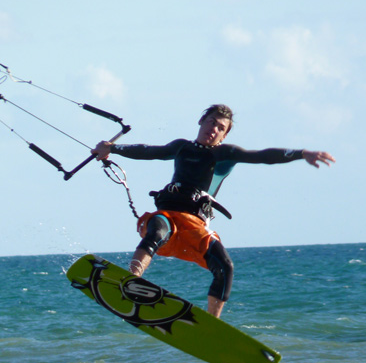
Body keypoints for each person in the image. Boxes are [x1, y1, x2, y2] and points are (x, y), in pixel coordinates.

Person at [92, 104, 335, 318]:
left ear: (225, 133)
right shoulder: (180, 147)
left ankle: (211, 323)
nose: (214, 129)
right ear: (201, 121)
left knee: (226, 268)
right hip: (168, 217)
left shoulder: (225, 154)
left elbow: (263, 156)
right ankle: (132, 281)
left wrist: (302, 154)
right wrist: (112, 148)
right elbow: (148, 151)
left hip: (195, 227)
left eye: (221, 127)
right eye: (211, 122)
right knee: (156, 231)